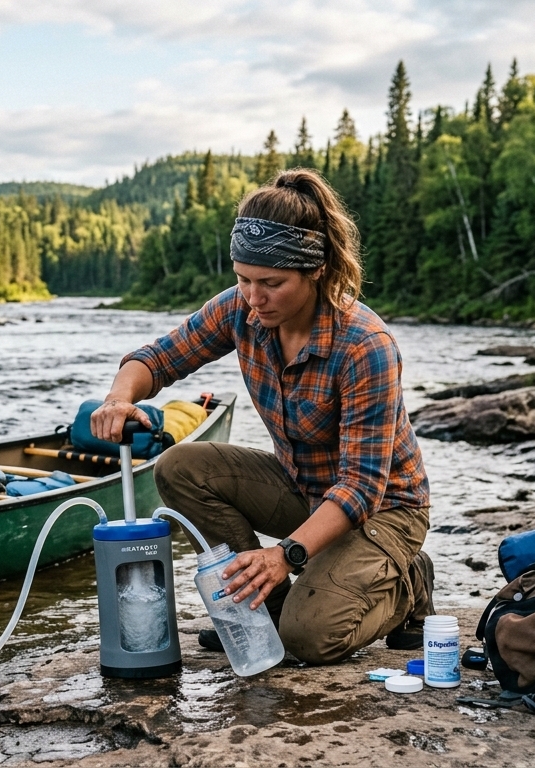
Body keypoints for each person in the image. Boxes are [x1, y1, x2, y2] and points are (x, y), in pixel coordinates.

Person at [90, 168, 433, 664]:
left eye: (272, 283)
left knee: (308, 640)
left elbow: (361, 486)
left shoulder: (365, 346)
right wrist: (119, 398)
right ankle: (262, 609)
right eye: (243, 280)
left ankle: (409, 581)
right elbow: (159, 358)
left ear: (316, 270)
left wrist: (284, 555)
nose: (254, 298)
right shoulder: (242, 309)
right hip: (305, 490)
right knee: (180, 467)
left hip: (384, 510)